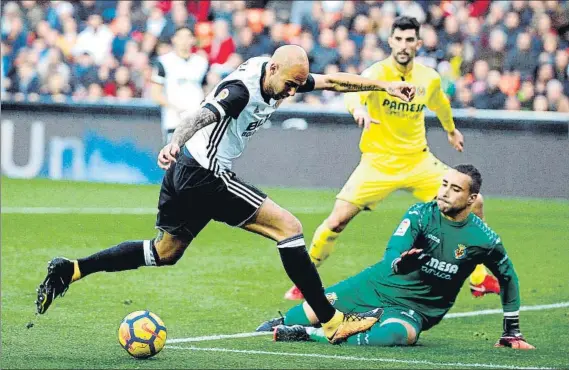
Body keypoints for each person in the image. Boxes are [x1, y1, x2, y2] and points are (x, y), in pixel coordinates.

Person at [35, 45, 415, 344]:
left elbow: (331, 81)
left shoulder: (281, 73)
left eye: (299, 85)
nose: (293, 92)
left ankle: (73, 269)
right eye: (291, 85)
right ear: (272, 70)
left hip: (186, 172)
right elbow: (202, 114)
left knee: (162, 253)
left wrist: (384, 86)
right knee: (289, 228)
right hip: (205, 174)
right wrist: (174, 142)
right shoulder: (240, 92)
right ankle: (332, 323)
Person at [284, 16, 498, 301]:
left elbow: (441, 104)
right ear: (390, 41)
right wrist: (358, 111)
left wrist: (451, 130)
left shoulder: (428, 78)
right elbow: (352, 93)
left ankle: (479, 278)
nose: (404, 45)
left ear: (418, 43)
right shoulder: (376, 72)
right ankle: (305, 280)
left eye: (410, 40)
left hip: (418, 162)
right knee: (336, 222)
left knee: (476, 202)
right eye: (399, 39)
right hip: (378, 163)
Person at [260, 165, 535, 350]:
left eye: (455, 189)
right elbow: (394, 249)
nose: (445, 192)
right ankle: (308, 323)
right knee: (301, 313)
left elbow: (508, 277)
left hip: (416, 308)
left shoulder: (484, 239)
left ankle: (311, 335)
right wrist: (400, 263)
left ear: (472, 198)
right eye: (444, 184)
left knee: (393, 335)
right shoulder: (420, 214)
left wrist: (512, 330)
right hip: (375, 285)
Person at [151, 26, 209, 144]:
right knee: (174, 158)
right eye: (180, 37)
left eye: (188, 37)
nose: (184, 41)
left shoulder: (201, 62)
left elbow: (206, 89)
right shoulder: (163, 62)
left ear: (193, 40)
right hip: (174, 120)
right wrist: (174, 108)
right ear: (174, 39)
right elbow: (156, 93)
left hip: (196, 121)